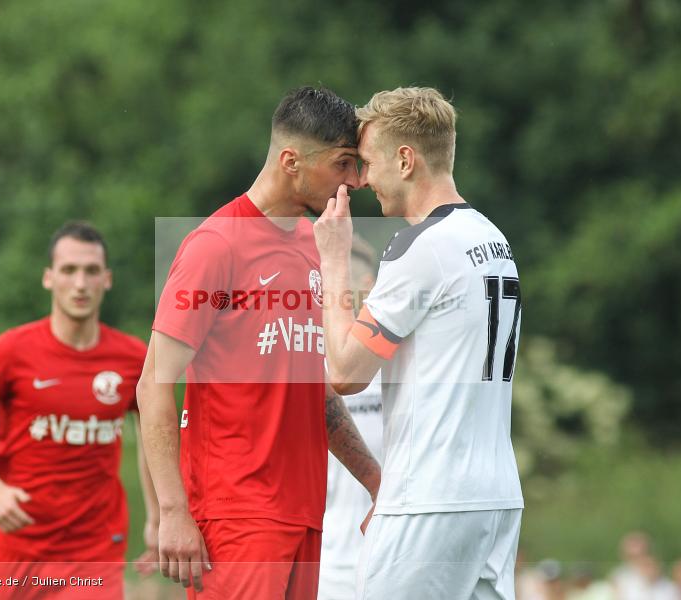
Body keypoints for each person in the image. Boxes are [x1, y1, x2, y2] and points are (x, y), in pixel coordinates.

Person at [137, 86, 381, 599]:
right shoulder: (215, 245)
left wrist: (376, 482)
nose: (356, 180)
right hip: (236, 514)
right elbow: (152, 385)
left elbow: (316, 392)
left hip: (304, 514)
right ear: (291, 161)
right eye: (343, 164)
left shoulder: (313, 248)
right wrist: (172, 511)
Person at [314, 86, 525, 599]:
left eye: (368, 164)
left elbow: (345, 371)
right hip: (496, 500)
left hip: (428, 498)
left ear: (405, 160)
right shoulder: (493, 239)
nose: (364, 181)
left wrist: (335, 258)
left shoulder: (420, 246)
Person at [0, 222, 156, 599]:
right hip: (20, 546)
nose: (80, 283)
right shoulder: (10, 352)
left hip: (96, 549)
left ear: (107, 279)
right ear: (48, 278)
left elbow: (155, 439)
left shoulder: (133, 358)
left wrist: (160, 516)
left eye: (91, 271)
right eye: (69, 270)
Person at [318, 236, 384, 600]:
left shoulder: (399, 362)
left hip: (388, 557)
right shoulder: (307, 361)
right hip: (323, 563)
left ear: (369, 286)